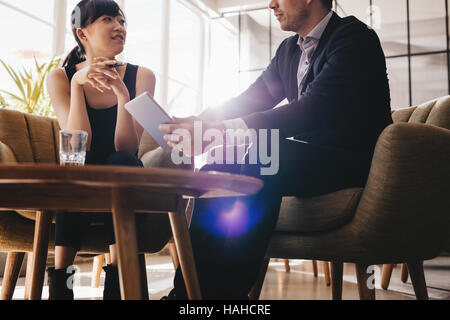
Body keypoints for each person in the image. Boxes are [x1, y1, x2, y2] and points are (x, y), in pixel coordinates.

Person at [160, 0, 393, 299]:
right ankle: (187, 294)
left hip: (353, 162)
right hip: (306, 161)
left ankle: (228, 294)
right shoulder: (288, 51)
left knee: (267, 153)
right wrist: (200, 122)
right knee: (217, 168)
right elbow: (251, 99)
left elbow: (311, 110)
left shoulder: (354, 38)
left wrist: (216, 130)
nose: (271, 4)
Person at [46, 0, 156, 300]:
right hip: (82, 175)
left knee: (119, 161)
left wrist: (123, 93)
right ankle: (61, 287)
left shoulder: (141, 76)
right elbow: (77, 148)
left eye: (122, 21)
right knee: (75, 168)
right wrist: (78, 87)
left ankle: (117, 286)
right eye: (108, 19)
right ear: (83, 34)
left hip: (125, 176)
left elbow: (128, 147)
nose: (119, 27)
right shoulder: (60, 77)